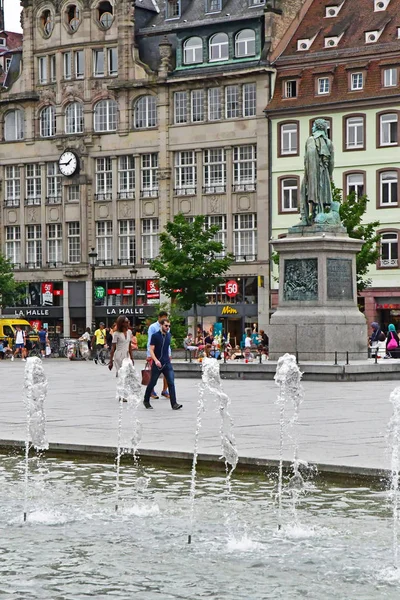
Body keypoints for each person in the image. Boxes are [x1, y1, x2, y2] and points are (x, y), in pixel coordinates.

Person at [299, 118, 334, 225]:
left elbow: (309, 156)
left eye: (313, 125)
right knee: (322, 194)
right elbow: (332, 162)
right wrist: (329, 174)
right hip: (324, 173)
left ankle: (305, 218)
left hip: (311, 173)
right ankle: (318, 214)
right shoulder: (329, 143)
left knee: (304, 192)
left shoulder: (310, 140)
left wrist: (310, 173)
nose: (312, 127)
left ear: (316, 127)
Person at [143, 319, 182, 410]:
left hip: (166, 362)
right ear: (161, 325)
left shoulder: (169, 335)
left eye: (169, 326)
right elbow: (151, 349)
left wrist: (169, 355)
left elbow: (167, 347)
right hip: (157, 363)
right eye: (166, 326)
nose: (168, 327)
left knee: (171, 382)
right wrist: (155, 360)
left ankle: (174, 404)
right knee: (153, 382)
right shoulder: (155, 336)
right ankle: (146, 400)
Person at [108, 316, 134, 396]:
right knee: (123, 374)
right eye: (126, 322)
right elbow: (113, 347)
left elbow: (129, 346)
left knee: (128, 374)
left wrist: (132, 357)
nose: (128, 323)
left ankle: (124, 392)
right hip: (119, 355)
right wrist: (110, 361)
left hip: (127, 355)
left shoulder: (129, 332)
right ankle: (122, 394)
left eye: (128, 321)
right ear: (122, 323)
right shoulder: (116, 334)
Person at [147, 311, 169, 400]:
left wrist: (169, 353)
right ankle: (151, 390)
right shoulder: (152, 327)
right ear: (159, 317)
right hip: (154, 354)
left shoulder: (167, 327)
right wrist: (149, 354)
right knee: (153, 374)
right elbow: (149, 341)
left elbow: (168, 341)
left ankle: (165, 390)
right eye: (163, 318)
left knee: (167, 373)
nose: (165, 320)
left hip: (165, 354)